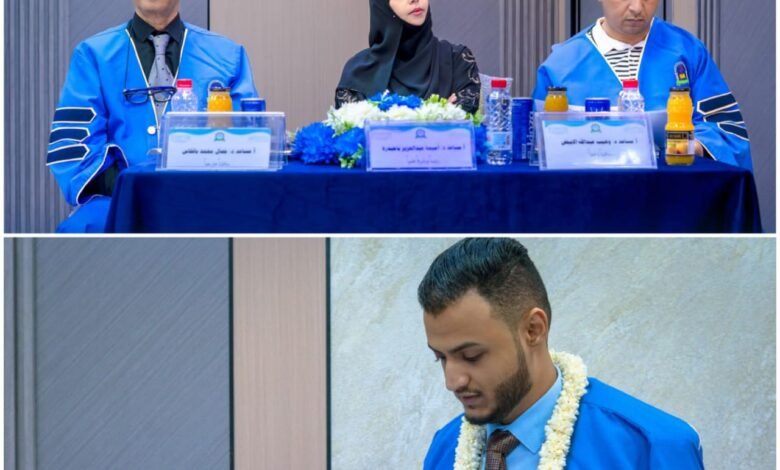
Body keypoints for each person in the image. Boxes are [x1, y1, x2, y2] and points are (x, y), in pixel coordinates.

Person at [419, 238, 704, 469]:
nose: (452, 382)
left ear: (533, 329)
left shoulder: (651, 447)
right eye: (440, 357)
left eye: (471, 356)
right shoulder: (444, 450)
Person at [46, 0, 258, 233]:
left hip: (203, 197)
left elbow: (245, 142)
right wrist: (136, 188)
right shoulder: (93, 55)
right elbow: (75, 147)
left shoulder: (227, 56)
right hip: (118, 199)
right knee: (81, 229)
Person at [532, 0, 751, 170]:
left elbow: (726, 129)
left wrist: (696, 146)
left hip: (673, 196)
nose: (637, 8)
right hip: (590, 197)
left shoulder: (688, 51)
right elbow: (539, 147)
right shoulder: (561, 65)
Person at [336, 0, 480, 113]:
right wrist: (440, 114)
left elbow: (461, 130)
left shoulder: (457, 60)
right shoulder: (358, 73)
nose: (415, 0)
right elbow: (356, 137)